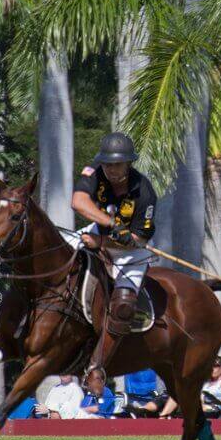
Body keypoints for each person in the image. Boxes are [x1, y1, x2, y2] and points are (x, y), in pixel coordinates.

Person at [71, 132, 157, 351]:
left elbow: (137, 240)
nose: (111, 169)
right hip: (96, 232)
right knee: (57, 254)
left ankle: (105, 357)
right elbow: (78, 201)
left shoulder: (144, 193)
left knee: (123, 306)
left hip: (131, 253)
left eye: (117, 165)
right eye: (108, 164)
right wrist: (111, 225)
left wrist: (101, 242)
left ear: (128, 163)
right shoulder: (96, 172)